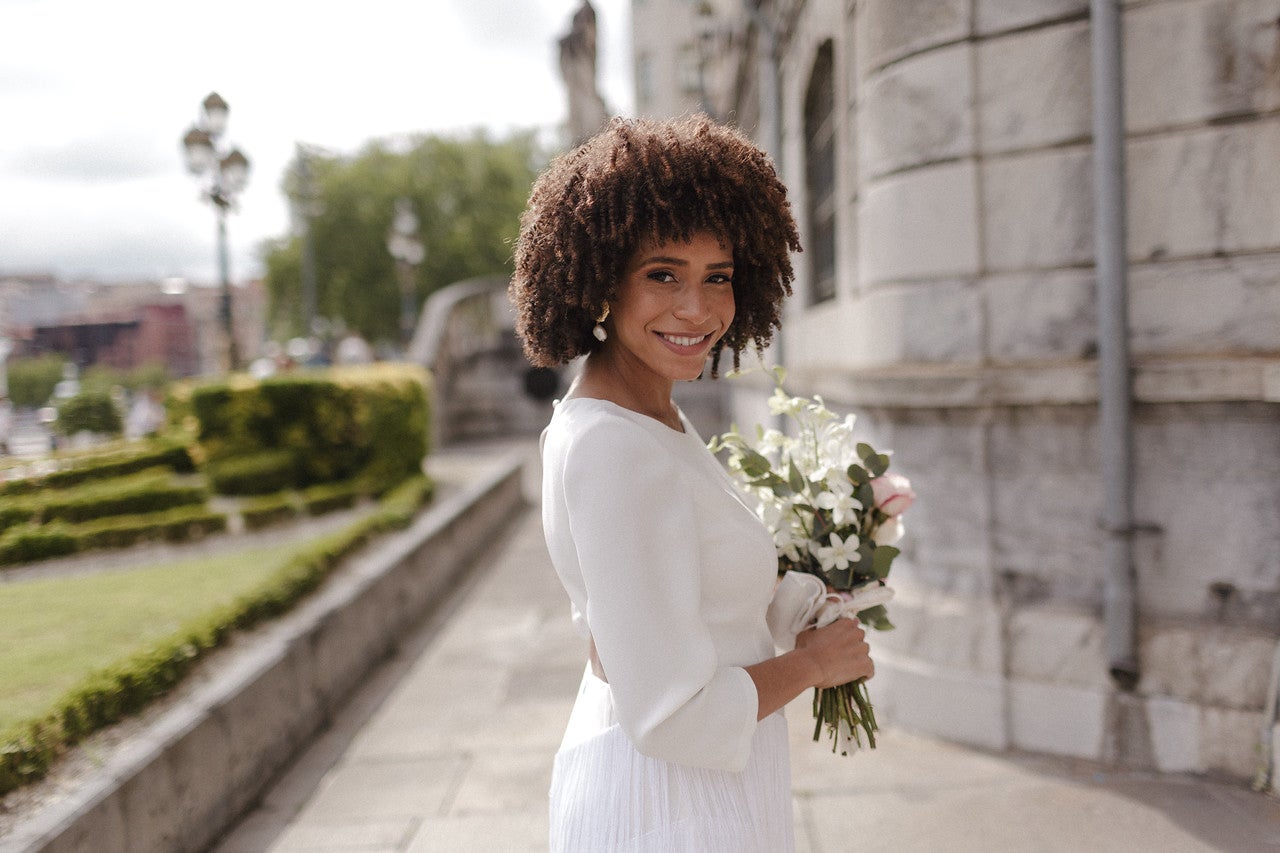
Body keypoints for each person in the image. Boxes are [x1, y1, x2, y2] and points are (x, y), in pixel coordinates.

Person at [510, 116, 875, 852]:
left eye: (719, 277)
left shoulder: (649, 415)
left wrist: (800, 606)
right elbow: (673, 715)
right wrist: (813, 665)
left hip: (696, 791)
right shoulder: (614, 448)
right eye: (662, 274)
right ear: (599, 280)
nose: (697, 308)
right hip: (672, 808)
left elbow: (688, 603)